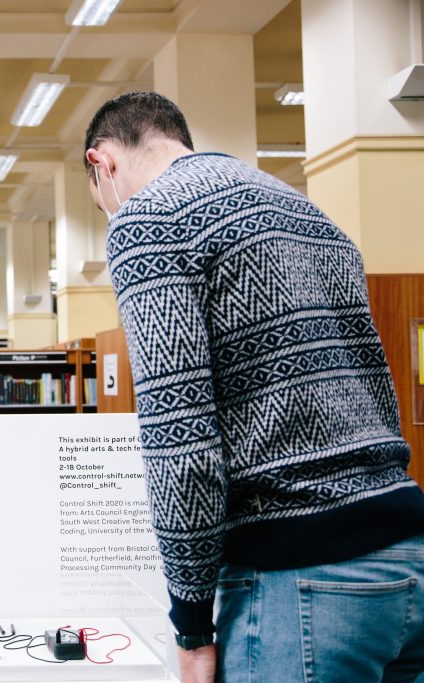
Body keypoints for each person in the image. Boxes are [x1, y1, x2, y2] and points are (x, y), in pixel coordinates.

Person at [83, 91, 424, 682]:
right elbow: (378, 387)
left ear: (102, 164)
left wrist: (191, 627)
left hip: (303, 579)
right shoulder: (314, 218)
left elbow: (180, 441)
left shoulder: (148, 220)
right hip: (408, 553)